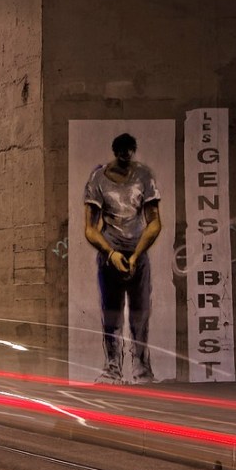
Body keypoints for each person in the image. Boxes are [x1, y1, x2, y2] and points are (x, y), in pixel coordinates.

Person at [83, 133, 163, 384]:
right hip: (110, 255)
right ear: (115, 151)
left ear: (134, 151)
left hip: (138, 254)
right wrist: (111, 253)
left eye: (130, 152)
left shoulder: (144, 176)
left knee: (140, 314)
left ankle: (141, 369)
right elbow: (90, 228)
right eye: (122, 153)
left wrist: (137, 254)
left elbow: (155, 222)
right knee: (112, 314)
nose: (126, 157)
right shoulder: (98, 179)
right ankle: (112, 369)